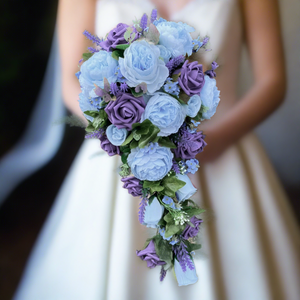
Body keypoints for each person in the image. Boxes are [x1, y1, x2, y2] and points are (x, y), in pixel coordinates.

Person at [14, 0, 300, 299]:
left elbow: (272, 82)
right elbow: (71, 80)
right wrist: (126, 134)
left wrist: (212, 141)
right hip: (121, 159)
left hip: (221, 151)